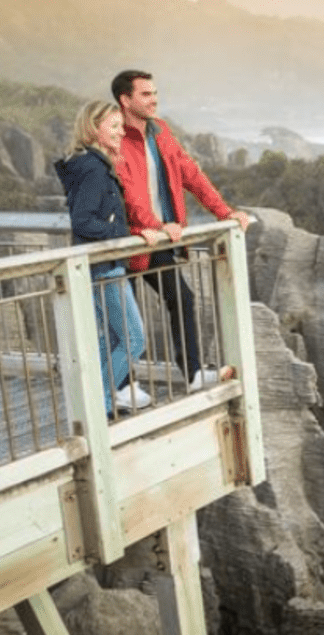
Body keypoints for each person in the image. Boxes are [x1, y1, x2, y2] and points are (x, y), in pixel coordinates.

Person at [111, 68, 250, 391]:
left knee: (183, 298)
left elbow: (190, 173)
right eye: (145, 94)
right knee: (122, 320)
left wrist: (224, 212)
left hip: (156, 240)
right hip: (124, 241)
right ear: (125, 100)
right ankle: (121, 386)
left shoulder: (159, 131)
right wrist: (158, 225)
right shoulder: (117, 135)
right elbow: (127, 193)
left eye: (155, 93)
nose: (154, 99)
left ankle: (193, 374)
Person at [54, 101, 168, 416]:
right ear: (93, 128)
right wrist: (125, 235)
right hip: (104, 267)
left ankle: (97, 403)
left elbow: (101, 216)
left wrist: (132, 232)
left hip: (100, 265)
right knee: (133, 338)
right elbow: (84, 221)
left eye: (121, 126)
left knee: (111, 339)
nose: (121, 132)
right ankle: (98, 402)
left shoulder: (91, 164)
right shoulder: (92, 168)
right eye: (114, 126)